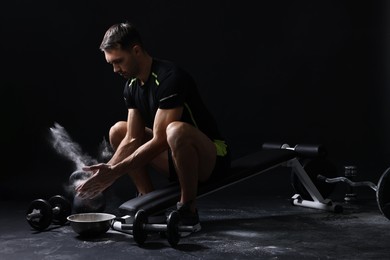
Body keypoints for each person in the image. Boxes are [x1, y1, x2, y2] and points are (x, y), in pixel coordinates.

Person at [76, 21, 230, 231]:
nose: (115, 69)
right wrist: (107, 172)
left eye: (118, 61)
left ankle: (188, 209)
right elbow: (132, 138)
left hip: (211, 159)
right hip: (176, 159)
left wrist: (115, 172)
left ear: (136, 51)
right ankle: (150, 205)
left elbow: (159, 141)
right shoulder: (131, 86)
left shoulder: (170, 78)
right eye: (111, 63)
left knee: (175, 130)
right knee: (118, 131)